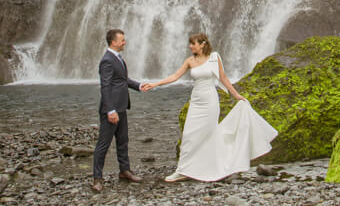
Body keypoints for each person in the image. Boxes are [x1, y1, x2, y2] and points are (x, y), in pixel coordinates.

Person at [142, 33, 277, 182]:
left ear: (202, 44)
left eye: (193, 43)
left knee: (209, 135)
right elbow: (175, 76)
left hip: (210, 102)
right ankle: (182, 170)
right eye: (190, 43)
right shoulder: (190, 61)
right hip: (196, 101)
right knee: (189, 135)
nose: (190, 46)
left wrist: (237, 95)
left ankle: (206, 167)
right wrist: (155, 84)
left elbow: (223, 78)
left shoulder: (214, 58)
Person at [91, 28, 144, 192]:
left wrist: (139, 86)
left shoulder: (117, 58)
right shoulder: (107, 60)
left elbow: (122, 80)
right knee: (103, 144)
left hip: (121, 107)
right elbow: (105, 86)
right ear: (113, 42)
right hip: (112, 109)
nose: (124, 42)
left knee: (123, 141)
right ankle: (97, 178)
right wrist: (110, 110)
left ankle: (124, 170)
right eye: (122, 40)